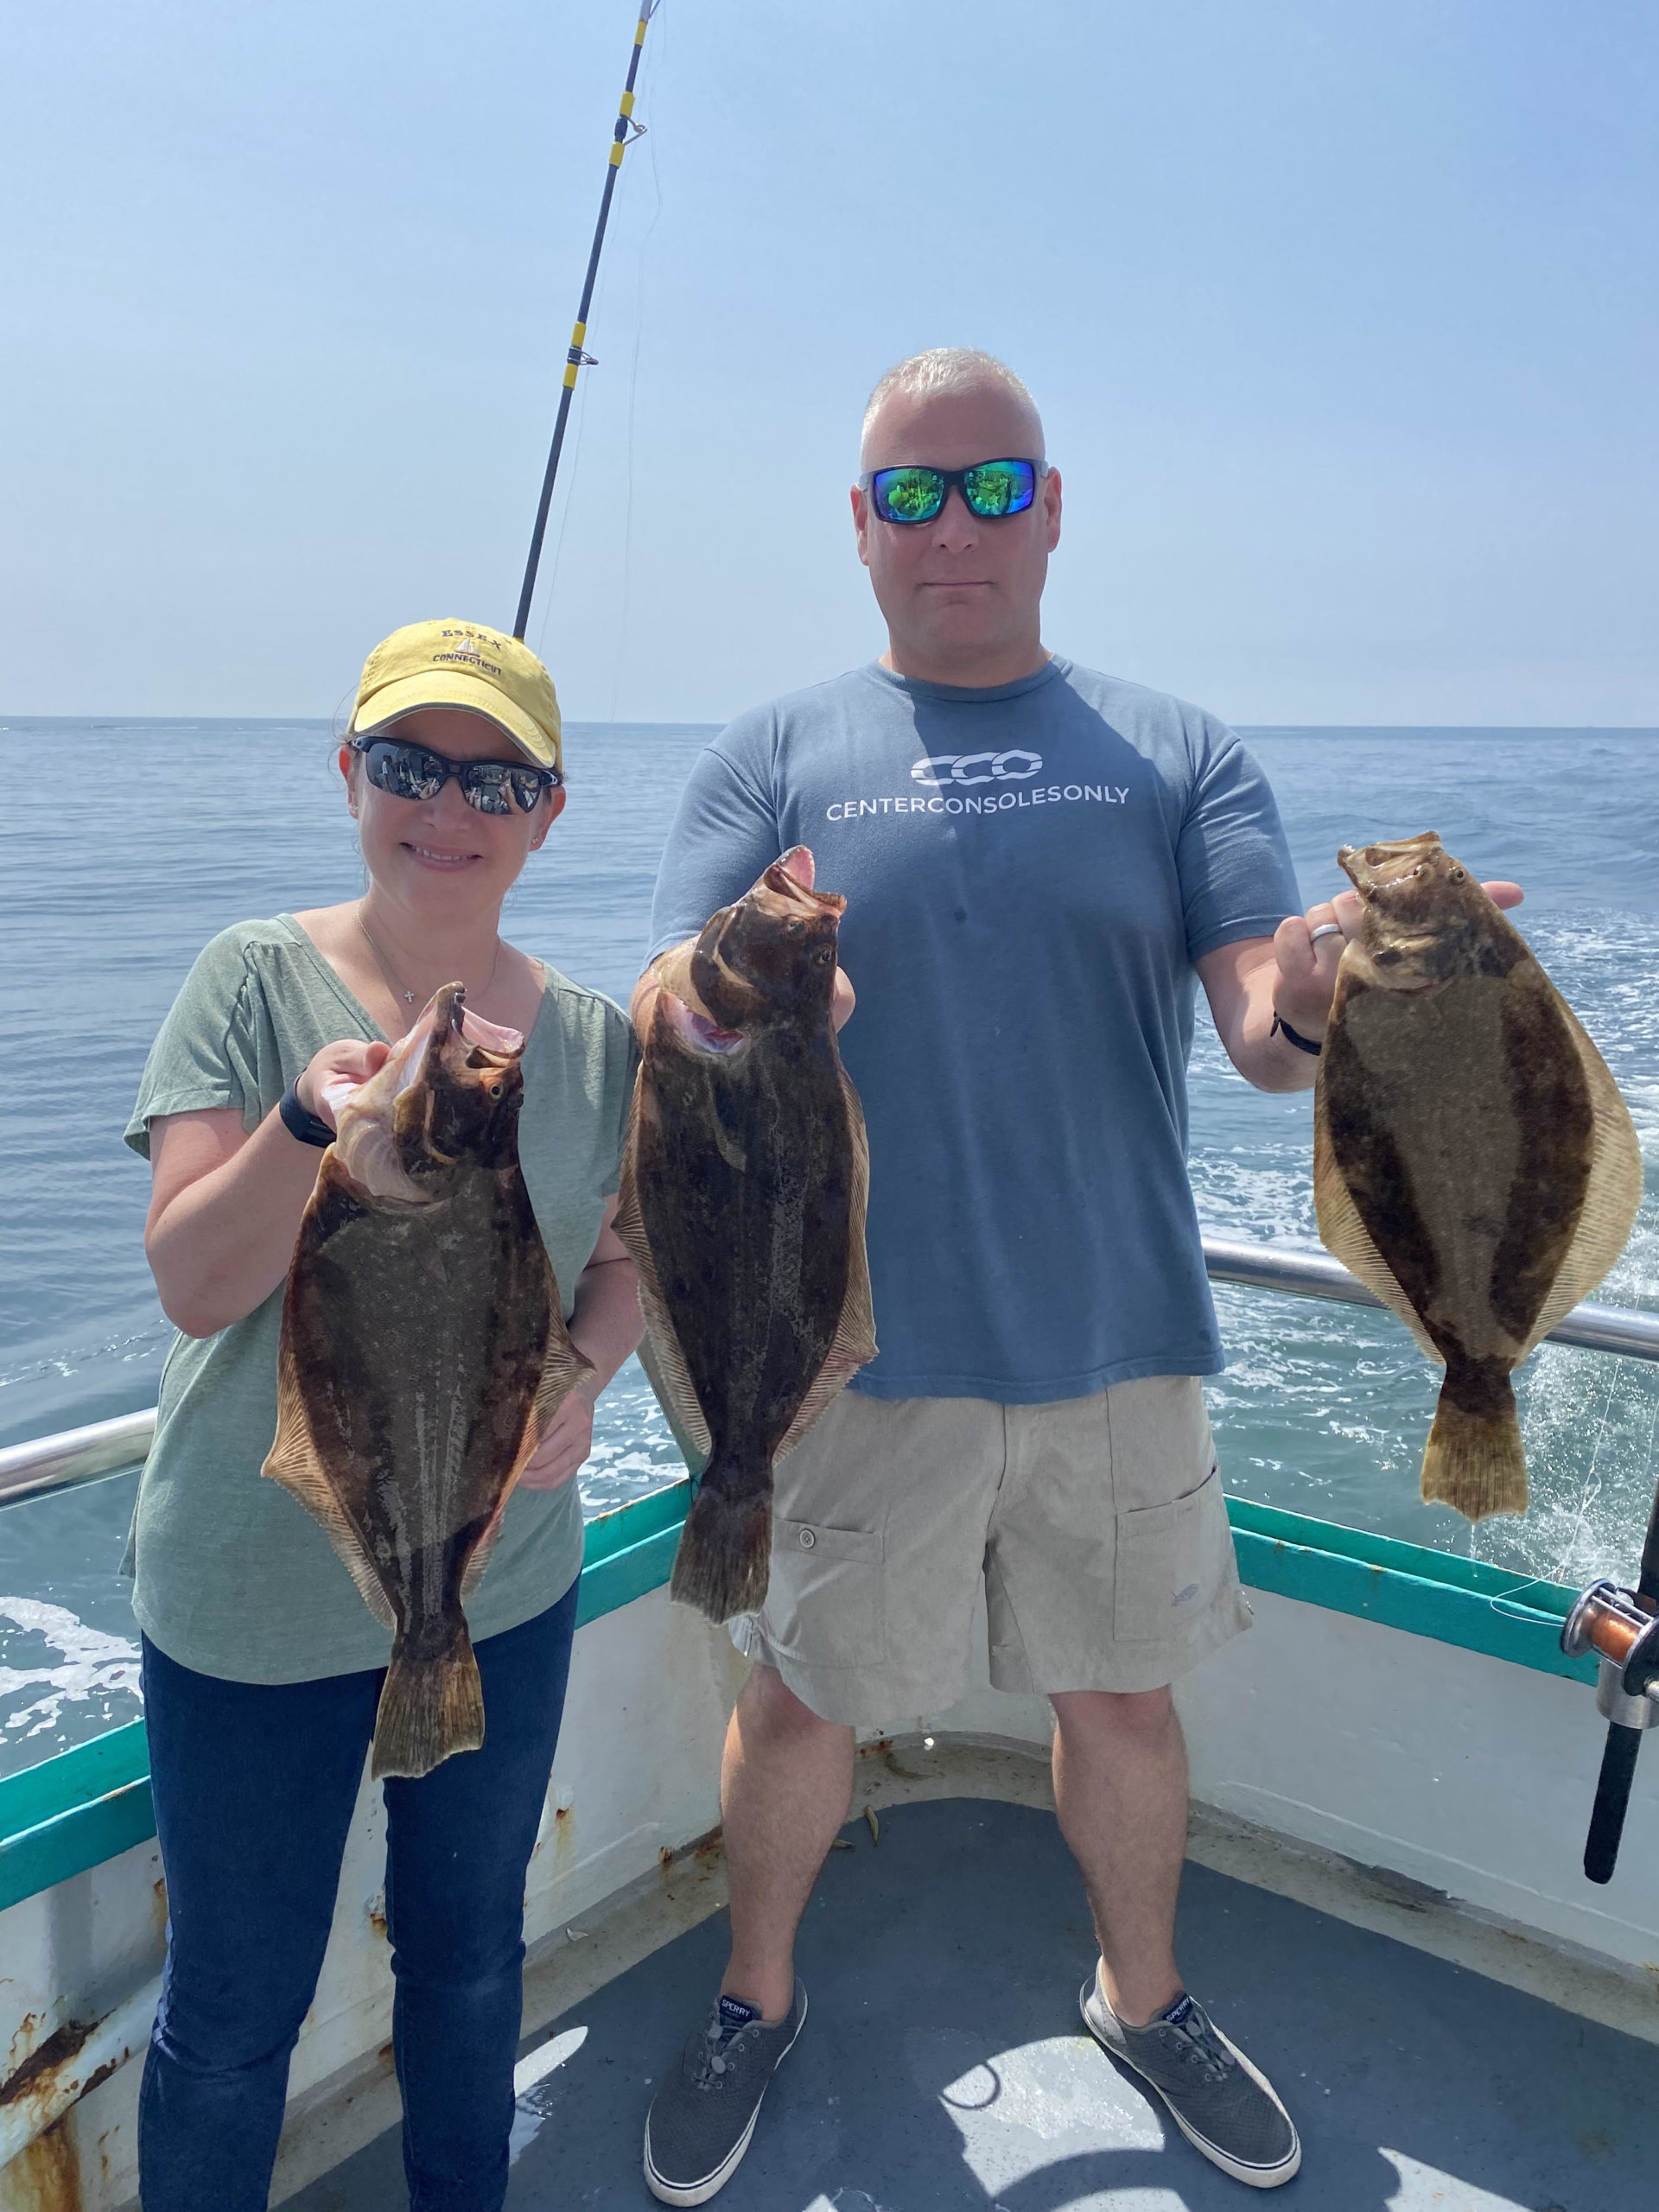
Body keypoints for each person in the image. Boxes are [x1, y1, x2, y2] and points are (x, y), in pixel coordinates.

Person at [634, 352, 1523, 2202]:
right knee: (802, 1697)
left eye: (989, 488)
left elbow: (1266, 1032)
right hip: (849, 1352)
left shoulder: (1180, 750)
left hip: (1120, 1336)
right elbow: (669, 1015)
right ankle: (753, 1996)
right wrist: (731, 979)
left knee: (1121, 1698)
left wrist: (1332, 976)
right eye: (910, 493)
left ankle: (1147, 1991)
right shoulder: (771, 751)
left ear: (1050, 510)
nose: (951, 525)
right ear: (859, 528)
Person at [124, 620, 642, 2212]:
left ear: (550, 811)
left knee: (475, 1957)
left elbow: (616, 1265)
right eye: (411, 765)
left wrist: (593, 1368)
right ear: (351, 777)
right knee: (233, 2008)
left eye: (497, 776)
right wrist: (305, 1122)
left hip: (499, 1584)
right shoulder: (250, 978)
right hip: (254, 1602)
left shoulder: (597, 1042)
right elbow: (196, 1286)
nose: (449, 804)